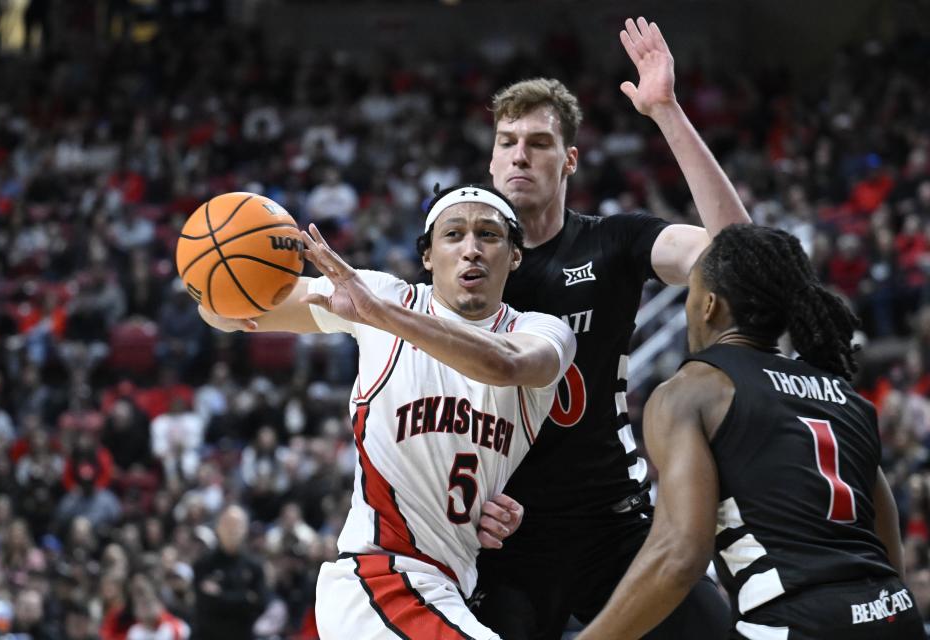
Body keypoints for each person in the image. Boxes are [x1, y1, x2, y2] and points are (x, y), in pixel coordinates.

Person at [471, 17, 750, 639]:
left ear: (569, 158)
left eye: (539, 143)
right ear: (490, 161)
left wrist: (668, 113)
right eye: (507, 141)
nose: (520, 155)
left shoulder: (615, 240)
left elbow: (741, 256)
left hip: (614, 523)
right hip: (505, 537)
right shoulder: (461, 264)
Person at [198, 184, 576, 639]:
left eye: (489, 235)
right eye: (453, 235)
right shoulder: (380, 296)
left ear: (514, 255)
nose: (471, 249)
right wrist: (221, 281)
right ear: (428, 257)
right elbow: (224, 310)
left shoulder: (543, 332)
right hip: (379, 580)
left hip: (445, 588)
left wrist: (379, 313)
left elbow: (506, 364)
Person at [576, 224, 926, 639]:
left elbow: (681, 555)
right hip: (893, 615)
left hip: (796, 623)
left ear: (707, 305)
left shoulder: (693, 390)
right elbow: (886, 547)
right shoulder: (844, 397)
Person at [191, 505, 267, 640]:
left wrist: (220, 595)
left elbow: (259, 605)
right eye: (227, 524)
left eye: (237, 525)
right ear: (218, 527)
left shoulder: (255, 566)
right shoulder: (204, 564)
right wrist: (243, 598)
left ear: (245, 529)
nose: (232, 529)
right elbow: (204, 604)